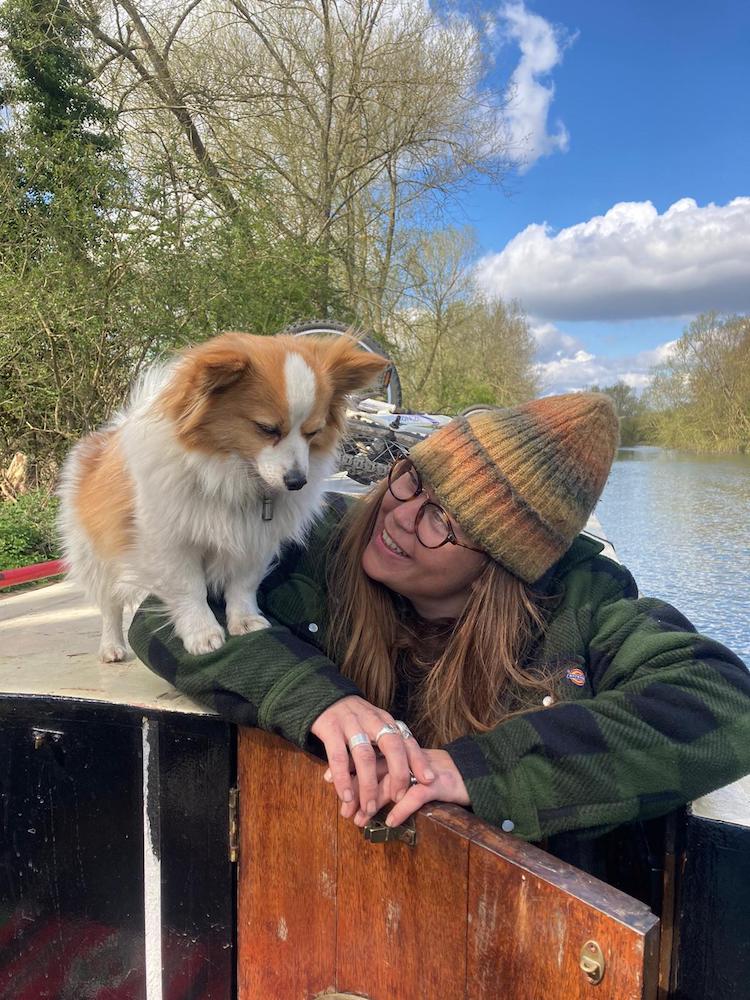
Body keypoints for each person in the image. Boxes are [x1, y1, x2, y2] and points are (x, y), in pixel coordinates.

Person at [129, 392, 750, 850]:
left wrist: (482, 769)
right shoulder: (310, 539)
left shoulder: (584, 615)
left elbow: (725, 705)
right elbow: (162, 609)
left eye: (444, 521)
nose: (401, 516)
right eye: (413, 480)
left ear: (502, 566)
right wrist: (316, 699)